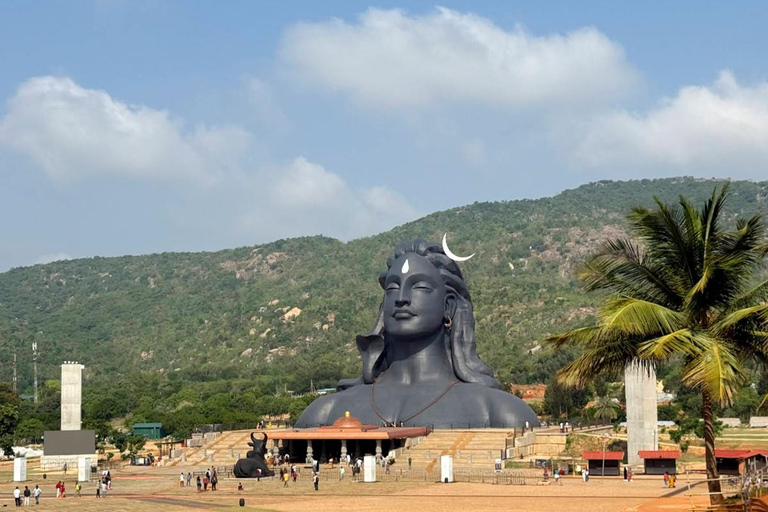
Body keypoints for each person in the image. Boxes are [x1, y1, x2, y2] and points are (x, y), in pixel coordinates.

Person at [295, 240, 540, 429]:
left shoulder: (499, 413)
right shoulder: (325, 412)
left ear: (449, 306)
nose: (401, 298)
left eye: (419, 287)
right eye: (392, 288)